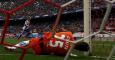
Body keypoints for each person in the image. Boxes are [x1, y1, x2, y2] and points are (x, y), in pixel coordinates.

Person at [5, 31, 89, 56]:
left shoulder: (69, 34)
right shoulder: (65, 52)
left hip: (41, 41)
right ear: (78, 50)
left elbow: (54, 33)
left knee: (27, 41)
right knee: (49, 51)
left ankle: (13, 47)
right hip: (40, 51)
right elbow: (53, 53)